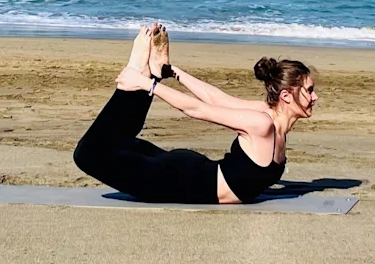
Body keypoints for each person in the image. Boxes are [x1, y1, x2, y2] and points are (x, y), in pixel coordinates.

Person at [73, 23, 317, 204]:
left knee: (118, 143)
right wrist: (149, 85)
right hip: (177, 181)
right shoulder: (261, 123)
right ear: (286, 96)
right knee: (87, 155)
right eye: (309, 91)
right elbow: (199, 108)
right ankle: (136, 74)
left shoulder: (269, 118)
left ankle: (150, 73)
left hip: (188, 175)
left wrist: (171, 72)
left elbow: (217, 99)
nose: (314, 97)